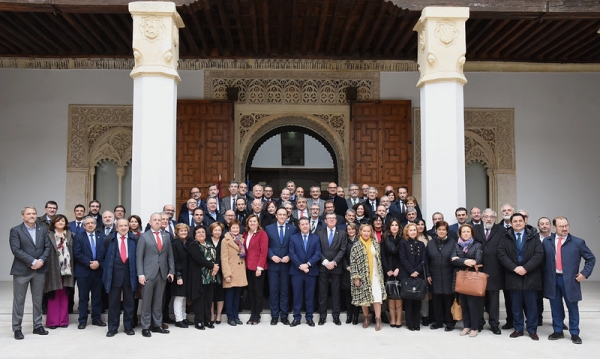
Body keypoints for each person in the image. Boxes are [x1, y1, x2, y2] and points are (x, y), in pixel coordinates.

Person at [543, 216, 596, 344]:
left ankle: (574, 332)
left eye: (566, 225)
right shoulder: (547, 241)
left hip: (570, 280)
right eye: (561, 226)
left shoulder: (578, 242)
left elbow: (591, 258)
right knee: (555, 307)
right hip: (553, 279)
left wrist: (584, 274)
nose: (564, 228)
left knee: (572, 306)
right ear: (554, 228)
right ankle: (558, 330)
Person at [497, 213, 544, 341]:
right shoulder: (505, 236)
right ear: (511, 223)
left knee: (532, 306)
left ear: (525, 222)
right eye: (515, 221)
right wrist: (515, 267)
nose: (517, 223)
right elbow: (501, 254)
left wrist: (526, 268)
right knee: (515, 306)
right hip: (513, 276)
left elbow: (539, 254)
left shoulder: (533, 236)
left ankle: (532, 330)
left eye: (520, 221)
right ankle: (518, 328)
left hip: (531, 276)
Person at [10, 206, 51, 340]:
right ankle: (17, 328)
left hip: (39, 270)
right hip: (22, 271)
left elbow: (47, 247)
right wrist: (33, 261)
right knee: (19, 300)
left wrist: (41, 261)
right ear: (23, 216)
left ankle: (37, 325)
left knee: (38, 299)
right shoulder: (16, 230)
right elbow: (16, 250)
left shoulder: (43, 229)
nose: (32, 216)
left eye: (34, 213)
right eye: (28, 214)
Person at [136, 213, 175, 337]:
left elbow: (170, 256)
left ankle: (157, 325)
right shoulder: (144, 237)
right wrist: (140, 274)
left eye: (160, 220)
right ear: (150, 222)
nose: (158, 222)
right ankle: (146, 326)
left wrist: (171, 271)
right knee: (147, 302)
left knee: (159, 301)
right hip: (148, 274)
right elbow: (139, 257)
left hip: (162, 273)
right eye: (155, 220)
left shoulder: (166, 236)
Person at [102, 218, 137, 337]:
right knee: (113, 303)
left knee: (129, 303)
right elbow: (104, 257)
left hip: (129, 275)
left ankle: (128, 327)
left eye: (125, 226)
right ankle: (112, 328)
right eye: (120, 226)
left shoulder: (134, 239)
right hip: (113, 276)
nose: (123, 228)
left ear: (129, 227)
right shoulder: (109, 239)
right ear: (116, 228)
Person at [473, 208, 504, 335]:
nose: (489, 219)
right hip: (478, 270)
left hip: (495, 270)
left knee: (493, 300)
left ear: (495, 218)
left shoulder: (501, 230)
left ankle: (494, 324)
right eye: (486, 216)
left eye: (491, 217)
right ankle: (479, 323)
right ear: (482, 217)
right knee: (479, 298)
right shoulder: (475, 230)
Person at [350, 224, 386, 331]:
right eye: (364, 231)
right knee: (364, 298)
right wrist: (356, 277)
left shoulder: (375, 244)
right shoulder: (356, 246)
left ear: (371, 232)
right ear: (360, 232)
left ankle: (378, 319)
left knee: (377, 297)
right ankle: (366, 318)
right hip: (363, 276)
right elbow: (353, 263)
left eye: (368, 231)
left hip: (375, 275)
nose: (366, 233)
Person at [73, 215, 106, 330]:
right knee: (83, 298)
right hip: (83, 272)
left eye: (92, 223)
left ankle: (96, 319)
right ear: (84, 226)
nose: (90, 225)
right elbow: (77, 253)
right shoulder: (78, 237)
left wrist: (98, 263)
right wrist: (89, 263)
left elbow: (105, 253)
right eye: (88, 223)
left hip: (98, 271)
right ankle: (82, 320)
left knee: (97, 297)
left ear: (96, 225)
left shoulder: (102, 237)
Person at [265, 207, 297, 325]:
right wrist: (271, 255)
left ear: (287, 216)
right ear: (276, 216)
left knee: (285, 291)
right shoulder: (268, 228)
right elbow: (265, 246)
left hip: (286, 264)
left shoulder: (293, 229)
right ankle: (274, 316)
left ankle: (284, 316)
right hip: (273, 264)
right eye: (280, 214)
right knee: (273, 291)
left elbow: (295, 245)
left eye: (284, 214)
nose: (282, 216)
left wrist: (289, 256)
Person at [451, 224, 484, 337]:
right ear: (460, 233)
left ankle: (475, 328)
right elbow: (452, 260)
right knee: (464, 304)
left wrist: (460, 260)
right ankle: (467, 326)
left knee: (473, 304)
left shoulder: (477, 245)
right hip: (461, 279)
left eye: (468, 232)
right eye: (463, 232)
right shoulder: (457, 245)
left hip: (473, 279)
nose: (465, 233)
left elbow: (477, 260)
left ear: (472, 233)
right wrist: (465, 261)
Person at [289, 217, 322, 327]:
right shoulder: (293, 238)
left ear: (309, 225)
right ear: (299, 226)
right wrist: (300, 266)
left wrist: (307, 264)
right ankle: (296, 318)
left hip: (311, 271)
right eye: (302, 224)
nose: (305, 226)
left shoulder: (316, 238)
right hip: (297, 272)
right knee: (297, 296)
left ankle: (309, 318)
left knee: (310, 296)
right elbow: (292, 254)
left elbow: (318, 254)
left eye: (306, 224)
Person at [316, 212, 347, 325]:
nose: (332, 220)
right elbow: (317, 249)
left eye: (334, 218)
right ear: (325, 221)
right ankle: (322, 316)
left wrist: (334, 262)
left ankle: (336, 316)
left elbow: (343, 250)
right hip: (322, 266)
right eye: (329, 218)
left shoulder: (342, 233)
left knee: (336, 293)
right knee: (322, 293)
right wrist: (325, 262)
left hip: (336, 267)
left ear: (336, 220)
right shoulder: (319, 233)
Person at [44, 214, 74, 329]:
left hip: (67, 269)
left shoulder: (71, 235)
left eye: (63, 220)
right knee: (54, 294)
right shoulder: (48, 235)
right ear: (54, 223)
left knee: (64, 295)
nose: (61, 222)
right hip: (53, 269)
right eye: (58, 220)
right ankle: (52, 322)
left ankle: (63, 321)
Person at [426, 221, 457, 331]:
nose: (441, 231)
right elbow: (427, 260)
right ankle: (438, 321)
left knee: (448, 299)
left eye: (444, 229)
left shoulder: (453, 243)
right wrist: (428, 274)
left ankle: (449, 322)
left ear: (447, 231)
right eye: (439, 229)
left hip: (449, 275)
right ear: (436, 231)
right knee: (436, 299)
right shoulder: (430, 243)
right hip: (434, 275)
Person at [187, 226, 219, 330]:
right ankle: (199, 321)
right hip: (199, 277)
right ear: (195, 235)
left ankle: (207, 320)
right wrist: (212, 266)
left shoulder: (210, 245)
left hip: (210, 277)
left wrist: (216, 267)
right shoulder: (193, 245)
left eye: (203, 232)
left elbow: (215, 257)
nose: (201, 234)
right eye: (198, 232)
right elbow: (199, 259)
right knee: (199, 300)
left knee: (208, 300)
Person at [399, 223, 426, 331]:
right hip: (407, 274)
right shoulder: (403, 243)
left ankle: (416, 323)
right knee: (409, 299)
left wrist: (417, 271)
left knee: (417, 298)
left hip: (418, 275)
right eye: (411, 230)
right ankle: (410, 323)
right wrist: (411, 271)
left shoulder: (421, 244)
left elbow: (423, 259)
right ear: (407, 232)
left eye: (415, 230)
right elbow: (403, 258)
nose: (413, 232)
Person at [221, 220, 247, 326]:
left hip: (240, 271)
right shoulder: (225, 240)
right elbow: (224, 258)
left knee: (237, 297)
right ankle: (230, 317)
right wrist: (226, 274)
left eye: (237, 227)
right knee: (230, 297)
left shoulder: (241, 239)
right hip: (231, 271)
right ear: (229, 228)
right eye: (233, 228)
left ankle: (236, 316)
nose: (235, 230)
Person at [243, 214, 269, 324]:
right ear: (247, 223)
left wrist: (260, 267)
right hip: (247, 267)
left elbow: (264, 252)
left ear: (258, 223)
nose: (252, 223)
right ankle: (252, 313)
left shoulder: (262, 234)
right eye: (250, 221)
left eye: (254, 221)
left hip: (258, 268)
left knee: (258, 292)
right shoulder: (245, 234)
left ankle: (256, 315)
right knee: (251, 292)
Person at [380, 218, 403, 328]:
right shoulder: (384, 239)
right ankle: (392, 318)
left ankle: (399, 319)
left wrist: (398, 268)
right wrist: (387, 269)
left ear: (399, 227)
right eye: (392, 225)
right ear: (389, 227)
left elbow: (403, 256)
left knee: (398, 295)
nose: (394, 227)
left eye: (396, 225)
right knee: (390, 294)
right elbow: (382, 256)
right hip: (388, 269)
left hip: (399, 269)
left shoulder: (403, 239)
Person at [171, 223, 192, 328]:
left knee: (184, 297)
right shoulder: (175, 243)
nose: (183, 233)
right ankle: (178, 319)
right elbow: (174, 260)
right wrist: (178, 276)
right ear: (177, 232)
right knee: (179, 297)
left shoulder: (188, 242)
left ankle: (183, 317)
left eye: (185, 231)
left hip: (187, 273)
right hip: (179, 274)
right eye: (181, 231)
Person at [342, 223, 360, 324]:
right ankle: (349, 315)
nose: (351, 231)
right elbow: (342, 255)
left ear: (356, 230)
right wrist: (346, 266)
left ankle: (356, 316)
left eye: (353, 229)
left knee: (356, 294)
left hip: (357, 272)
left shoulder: (359, 241)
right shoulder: (344, 241)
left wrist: (356, 268)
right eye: (349, 229)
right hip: (347, 271)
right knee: (348, 294)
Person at [416, 218, 432, 326]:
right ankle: (416, 315)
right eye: (418, 224)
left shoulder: (429, 238)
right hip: (414, 268)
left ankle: (425, 316)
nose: (420, 226)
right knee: (414, 292)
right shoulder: (410, 236)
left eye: (422, 224)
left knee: (425, 293)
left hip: (426, 268)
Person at [208, 222, 224, 325]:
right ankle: (211, 315)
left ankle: (218, 315)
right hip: (208, 270)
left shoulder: (224, 241)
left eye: (219, 230)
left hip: (221, 270)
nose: (217, 232)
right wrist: (212, 267)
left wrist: (217, 266)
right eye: (215, 230)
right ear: (211, 231)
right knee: (210, 294)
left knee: (220, 293)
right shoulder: (207, 240)